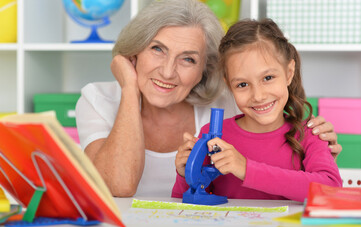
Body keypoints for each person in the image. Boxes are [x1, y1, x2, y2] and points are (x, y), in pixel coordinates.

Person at [75, 0, 341, 198]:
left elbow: (325, 185)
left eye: (188, 58)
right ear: (134, 51)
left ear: (206, 69)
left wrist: (317, 146)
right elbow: (171, 197)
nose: (168, 71)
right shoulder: (97, 99)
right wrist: (130, 89)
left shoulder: (226, 105)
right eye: (157, 49)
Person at [172, 18, 342, 202]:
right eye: (242, 84)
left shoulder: (310, 133)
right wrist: (186, 175)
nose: (258, 95)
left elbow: (329, 188)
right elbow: (188, 206)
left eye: (268, 77)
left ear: (289, 73)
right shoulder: (213, 136)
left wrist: (246, 169)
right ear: (229, 84)